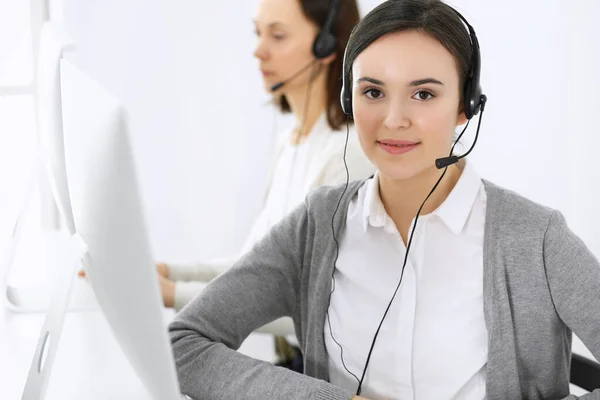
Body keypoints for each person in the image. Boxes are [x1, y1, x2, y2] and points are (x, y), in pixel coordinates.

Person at [169, 0, 600, 399]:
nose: (393, 120)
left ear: (466, 106)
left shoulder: (536, 239)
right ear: (349, 98)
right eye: (373, 92)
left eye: (424, 93)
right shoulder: (316, 226)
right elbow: (183, 344)